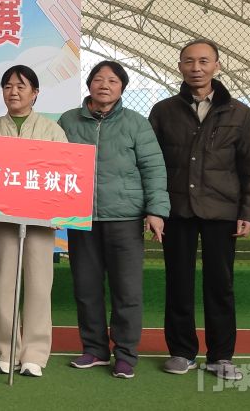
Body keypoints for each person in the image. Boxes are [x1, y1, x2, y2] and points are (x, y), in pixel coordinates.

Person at [149, 38, 250, 381]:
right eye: (189, 61)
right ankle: (182, 352)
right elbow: (152, 164)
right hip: (177, 210)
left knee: (220, 286)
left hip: (222, 211)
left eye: (203, 61)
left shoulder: (239, 113)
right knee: (178, 283)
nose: (196, 68)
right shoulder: (163, 111)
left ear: (217, 66)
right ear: (180, 66)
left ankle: (221, 356)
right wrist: (154, 208)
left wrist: (248, 212)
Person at [58, 60, 169, 379]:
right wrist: (53, 210)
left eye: (112, 80)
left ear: (122, 88)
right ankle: (94, 349)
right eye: (98, 79)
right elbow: (53, 164)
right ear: (89, 84)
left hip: (125, 218)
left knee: (127, 291)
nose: (104, 85)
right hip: (82, 219)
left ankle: (125, 354)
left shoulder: (136, 123)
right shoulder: (68, 121)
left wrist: (156, 210)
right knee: (86, 288)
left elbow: (153, 168)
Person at [0, 65, 67, 378]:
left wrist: (60, 212)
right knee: (5, 283)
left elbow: (66, 172)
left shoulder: (51, 130)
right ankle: (7, 351)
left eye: (21, 86)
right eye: (8, 86)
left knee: (40, 284)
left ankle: (35, 354)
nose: (13, 92)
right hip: (2, 220)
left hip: (41, 221)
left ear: (35, 92)